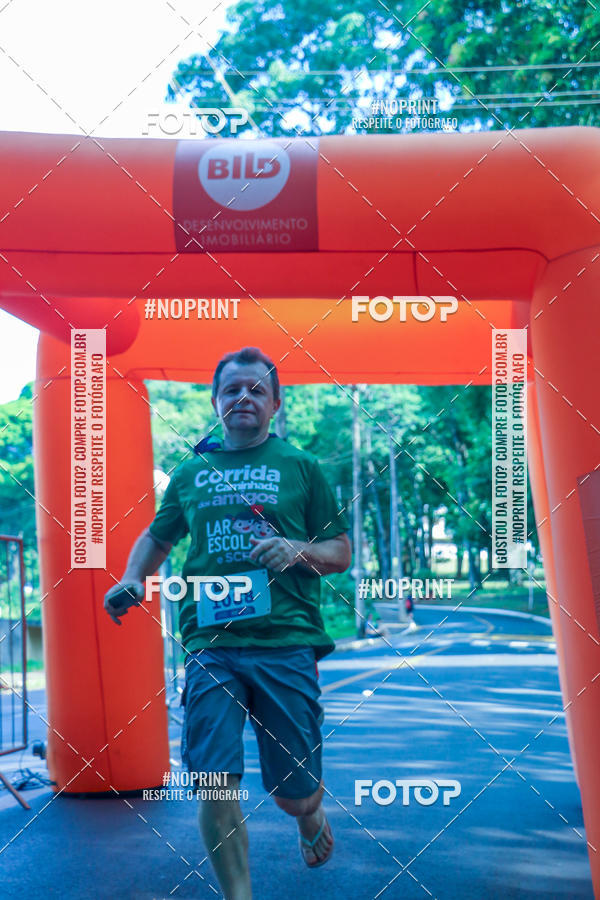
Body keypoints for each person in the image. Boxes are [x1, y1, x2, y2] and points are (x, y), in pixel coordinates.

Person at [104, 347, 351, 900]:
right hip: (210, 644)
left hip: (285, 641)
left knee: (294, 793)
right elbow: (157, 537)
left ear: (275, 404)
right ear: (216, 401)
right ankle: (239, 895)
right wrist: (132, 577)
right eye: (232, 389)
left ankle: (309, 815)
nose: (244, 397)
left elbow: (340, 551)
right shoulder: (193, 470)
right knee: (212, 779)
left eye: (256, 389)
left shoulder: (303, 467)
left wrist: (296, 550)